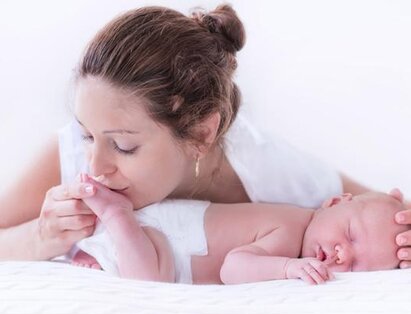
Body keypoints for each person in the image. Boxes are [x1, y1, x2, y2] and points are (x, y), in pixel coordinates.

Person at [1, 4, 411, 268]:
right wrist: (40, 236)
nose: (95, 165)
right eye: (88, 134)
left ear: (201, 133)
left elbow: (381, 212)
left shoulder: (268, 171)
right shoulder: (71, 155)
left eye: (124, 145)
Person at [74, 173, 407, 285]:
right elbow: (233, 268)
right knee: (147, 280)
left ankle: (101, 254)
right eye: (350, 235)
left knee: (143, 268)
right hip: (168, 234)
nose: (342, 254)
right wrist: (288, 268)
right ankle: (117, 217)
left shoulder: (299, 227)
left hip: (162, 242)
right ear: (334, 203)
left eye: (358, 265)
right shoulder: (291, 228)